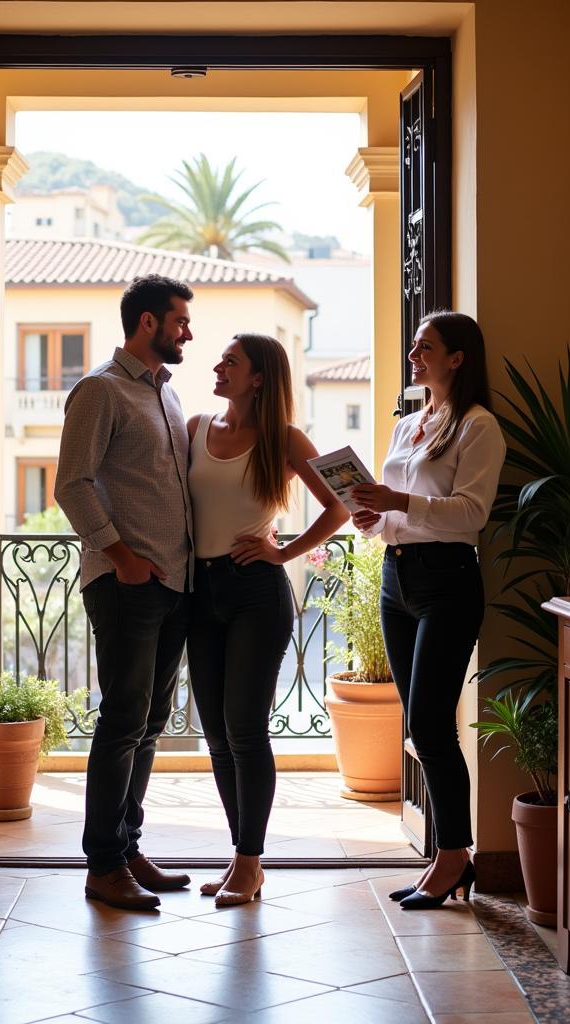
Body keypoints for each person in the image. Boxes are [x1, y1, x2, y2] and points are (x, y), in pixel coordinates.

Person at [185, 333, 348, 907]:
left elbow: (340, 504)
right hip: (198, 592)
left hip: (256, 591)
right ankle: (239, 860)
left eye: (231, 361)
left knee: (246, 731)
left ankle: (250, 864)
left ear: (258, 378)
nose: (218, 366)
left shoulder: (284, 440)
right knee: (217, 737)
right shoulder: (195, 428)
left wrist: (285, 551)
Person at [351, 310, 506, 910]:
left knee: (432, 726)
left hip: (448, 582)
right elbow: (399, 516)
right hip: (398, 577)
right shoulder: (410, 424)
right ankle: (446, 859)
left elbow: (470, 515)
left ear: (457, 358)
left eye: (425, 346)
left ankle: (453, 857)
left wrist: (399, 500)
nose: (414, 354)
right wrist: (375, 517)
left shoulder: (478, 426)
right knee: (418, 723)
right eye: (414, 345)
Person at [55, 274, 196, 911]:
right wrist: (120, 556)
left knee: (148, 725)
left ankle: (127, 846)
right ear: (146, 323)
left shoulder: (167, 397)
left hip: (171, 585)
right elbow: (72, 485)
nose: (187, 332)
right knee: (121, 724)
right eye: (179, 321)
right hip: (125, 584)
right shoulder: (99, 391)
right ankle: (103, 866)